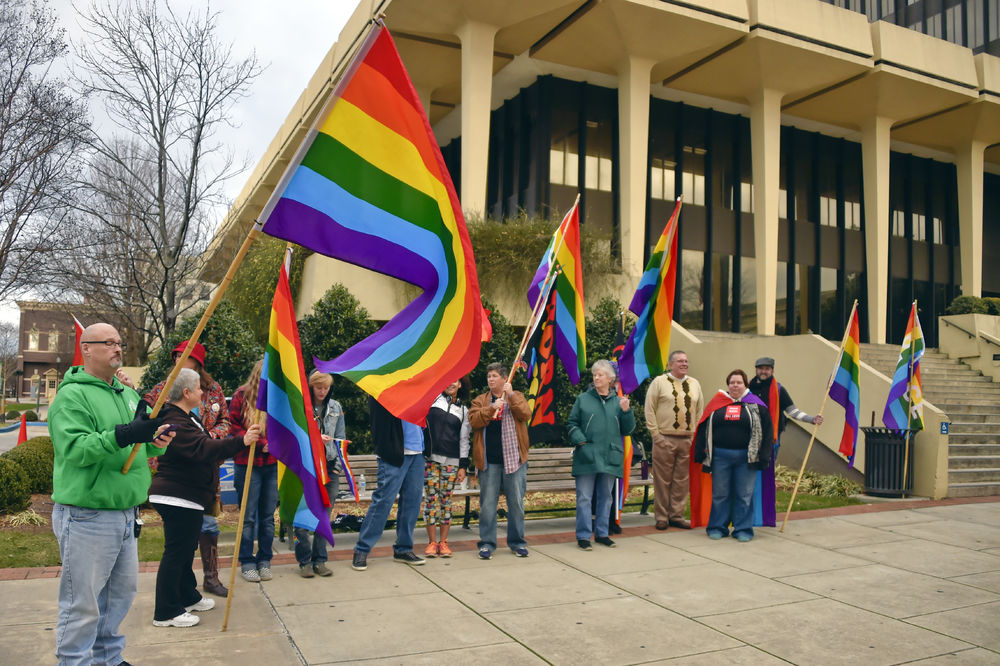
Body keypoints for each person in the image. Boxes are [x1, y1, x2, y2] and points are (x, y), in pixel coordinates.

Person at [48, 323, 175, 665]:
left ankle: (108, 658)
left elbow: (139, 446)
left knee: (119, 597)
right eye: (108, 342)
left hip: (126, 513)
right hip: (86, 513)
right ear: (85, 348)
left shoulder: (127, 394)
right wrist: (122, 434)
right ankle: (73, 660)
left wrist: (155, 441)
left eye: (119, 342)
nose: (117, 348)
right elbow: (74, 449)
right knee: (83, 603)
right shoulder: (71, 396)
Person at [149, 369, 260, 627]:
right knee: (176, 553)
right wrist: (241, 441)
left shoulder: (187, 418)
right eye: (198, 388)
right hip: (177, 496)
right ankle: (165, 611)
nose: (203, 392)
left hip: (188, 496)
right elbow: (203, 448)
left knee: (186, 550)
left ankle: (187, 594)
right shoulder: (173, 419)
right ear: (186, 392)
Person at [144, 340, 232, 597]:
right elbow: (147, 413)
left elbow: (224, 420)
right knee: (184, 535)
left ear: (198, 363)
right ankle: (180, 590)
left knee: (207, 526)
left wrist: (210, 439)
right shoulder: (164, 388)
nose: (178, 360)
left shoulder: (212, 390)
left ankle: (210, 576)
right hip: (178, 471)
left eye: (185, 356)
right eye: (177, 356)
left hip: (206, 467)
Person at [692, 369, 774, 542]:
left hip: (747, 458)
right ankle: (717, 527)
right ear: (727, 385)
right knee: (720, 494)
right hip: (720, 457)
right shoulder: (718, 402)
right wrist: (700, 450)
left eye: (739, 382)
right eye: (732, 382)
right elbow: (703, 426)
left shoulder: (756, 405)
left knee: (744, 494)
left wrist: (765, 455)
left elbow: (767, 432)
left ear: (745, 385)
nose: (735, 385)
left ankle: (743, 529)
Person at [351, 397, 431, 571]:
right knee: (383, 502)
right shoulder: (383, 385)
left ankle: (404, 549)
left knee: (412, 502)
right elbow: (378, 419)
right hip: (394, 452)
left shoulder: (416, 385)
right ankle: (362, 549)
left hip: (417, 451)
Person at [567, 360, 636, 550]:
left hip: (609, 457)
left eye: (600, 375)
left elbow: (628, 429)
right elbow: (572, 424)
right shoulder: (583, 399)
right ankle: (583, 536)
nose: (596, 377)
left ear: (610, 379)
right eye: (595, 374)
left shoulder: (618, 402)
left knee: (606, 497)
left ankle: (602, 534)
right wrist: (582, 442)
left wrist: (627, 412)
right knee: (584, 498)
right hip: (586, 457)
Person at [747, 356, 823, 527]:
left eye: (767, 369)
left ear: (772, 371)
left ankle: (764, 516)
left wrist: (812, 419)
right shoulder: (747, 388)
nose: (763, 371)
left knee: (766, 477)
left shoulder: (779, 390)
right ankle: (748, 514)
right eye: (760, 368)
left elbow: (792, 411)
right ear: (756, 370)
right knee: (748, 478)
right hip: (748, 441)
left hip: (771, 442)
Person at [469, 363, 531, 560]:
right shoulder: (481, 400)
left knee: (516, 504)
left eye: (495, 376)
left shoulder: (516, 396)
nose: (491, 379)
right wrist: (490, 409)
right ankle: (487, 544)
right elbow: (474, 420)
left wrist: (511, 396)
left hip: (514, 460)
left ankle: (517, 542)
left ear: (505, 379)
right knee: (487, 505)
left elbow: (525, 414)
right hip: (489, 462)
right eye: (489, 376)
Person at [229, 360, 278, 583]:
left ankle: (265, 559)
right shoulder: (241, 395)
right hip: (247, 463)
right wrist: (260, 442)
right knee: (248, 517)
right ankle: (247, 561)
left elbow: (284, 427)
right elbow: (234, 427)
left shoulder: (278, 397)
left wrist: (275, 444)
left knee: (268, 517)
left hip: (271, 465)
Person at [644, 350, 704, 530]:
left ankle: (676, 515)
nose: (684, 364)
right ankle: (661, 517)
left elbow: (700, 410)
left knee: (682, 480)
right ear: (671, 365)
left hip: (687, 440)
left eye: (686, 361)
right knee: (662, 480)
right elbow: (649, 408)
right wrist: (656, 435)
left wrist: (695, 434)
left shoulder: (694, 384)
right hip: (664, 438)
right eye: (680, 361)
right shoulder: (659, 382)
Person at [296, 371, 346, 578]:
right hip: (307, 467)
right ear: (311, 386)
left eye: (326, 388)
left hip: (330, 467)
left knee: (324, 515)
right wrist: (315, 438)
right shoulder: (302, 406)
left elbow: (341, 438)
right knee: (303, 513)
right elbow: (296, 435)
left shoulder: (335, 407)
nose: (322, 392)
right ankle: (304, 561)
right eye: (319, 388)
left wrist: (337, 467)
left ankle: (320, 560)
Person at [422, 377, 471, 558]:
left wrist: (463, 466)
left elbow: (464, 440)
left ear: (460, 385)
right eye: (448, 379)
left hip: (451, 461)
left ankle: (443, 543)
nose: (451, 383)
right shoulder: (433, 399)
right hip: (430, 459)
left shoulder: (464, 411)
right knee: (430, 500)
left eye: (455, 381)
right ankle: (431, 543)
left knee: (446, 501)